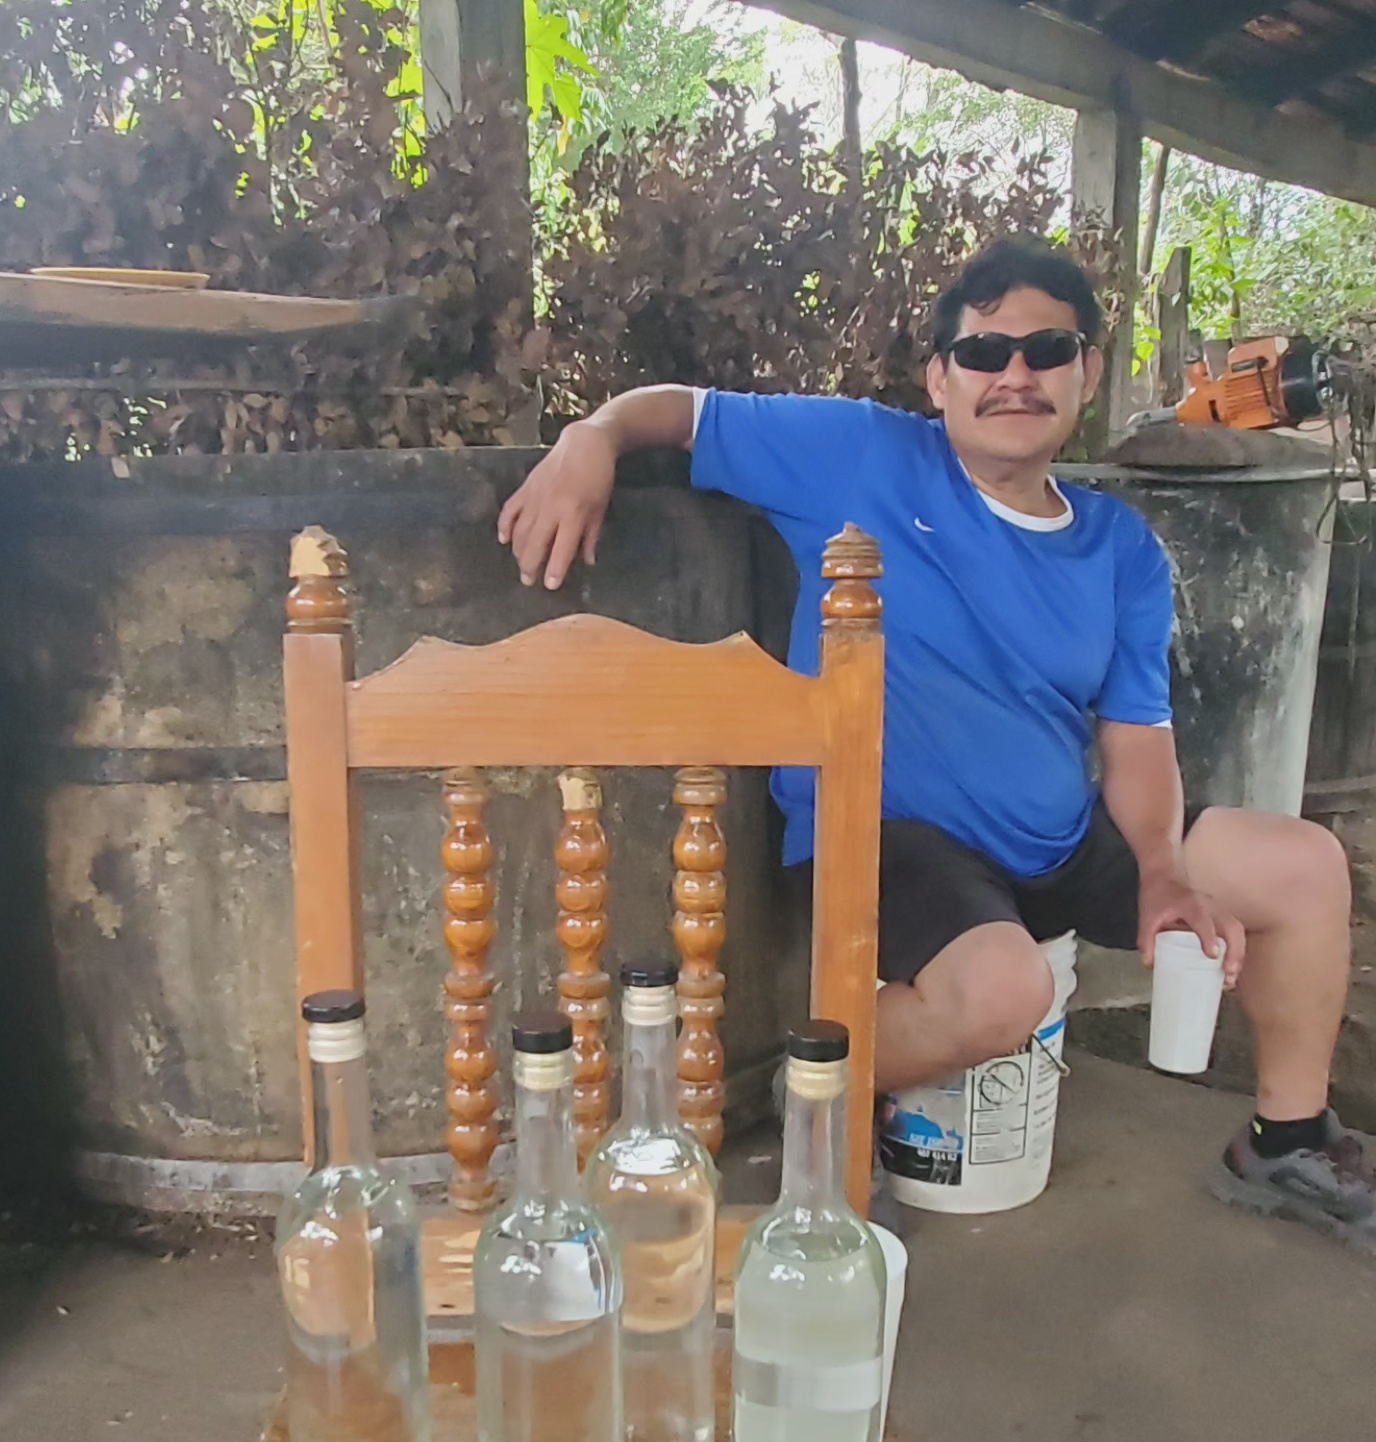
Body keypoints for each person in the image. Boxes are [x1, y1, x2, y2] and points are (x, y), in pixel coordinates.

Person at [498, 235, 1374, 1246]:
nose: (1015, 375)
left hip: (1052, 837)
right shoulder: (862, 456)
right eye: (984, 353)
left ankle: (1285, 1139)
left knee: (1303, 867)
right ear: (940, 378)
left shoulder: (1119, 547)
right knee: (1008, 990)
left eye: (1048, 350)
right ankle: (826, 1079)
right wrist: (591, 438)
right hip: (887, 838)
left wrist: (1162, 873)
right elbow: (683, 412)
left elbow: (1136, 740)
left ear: (1088, 372)